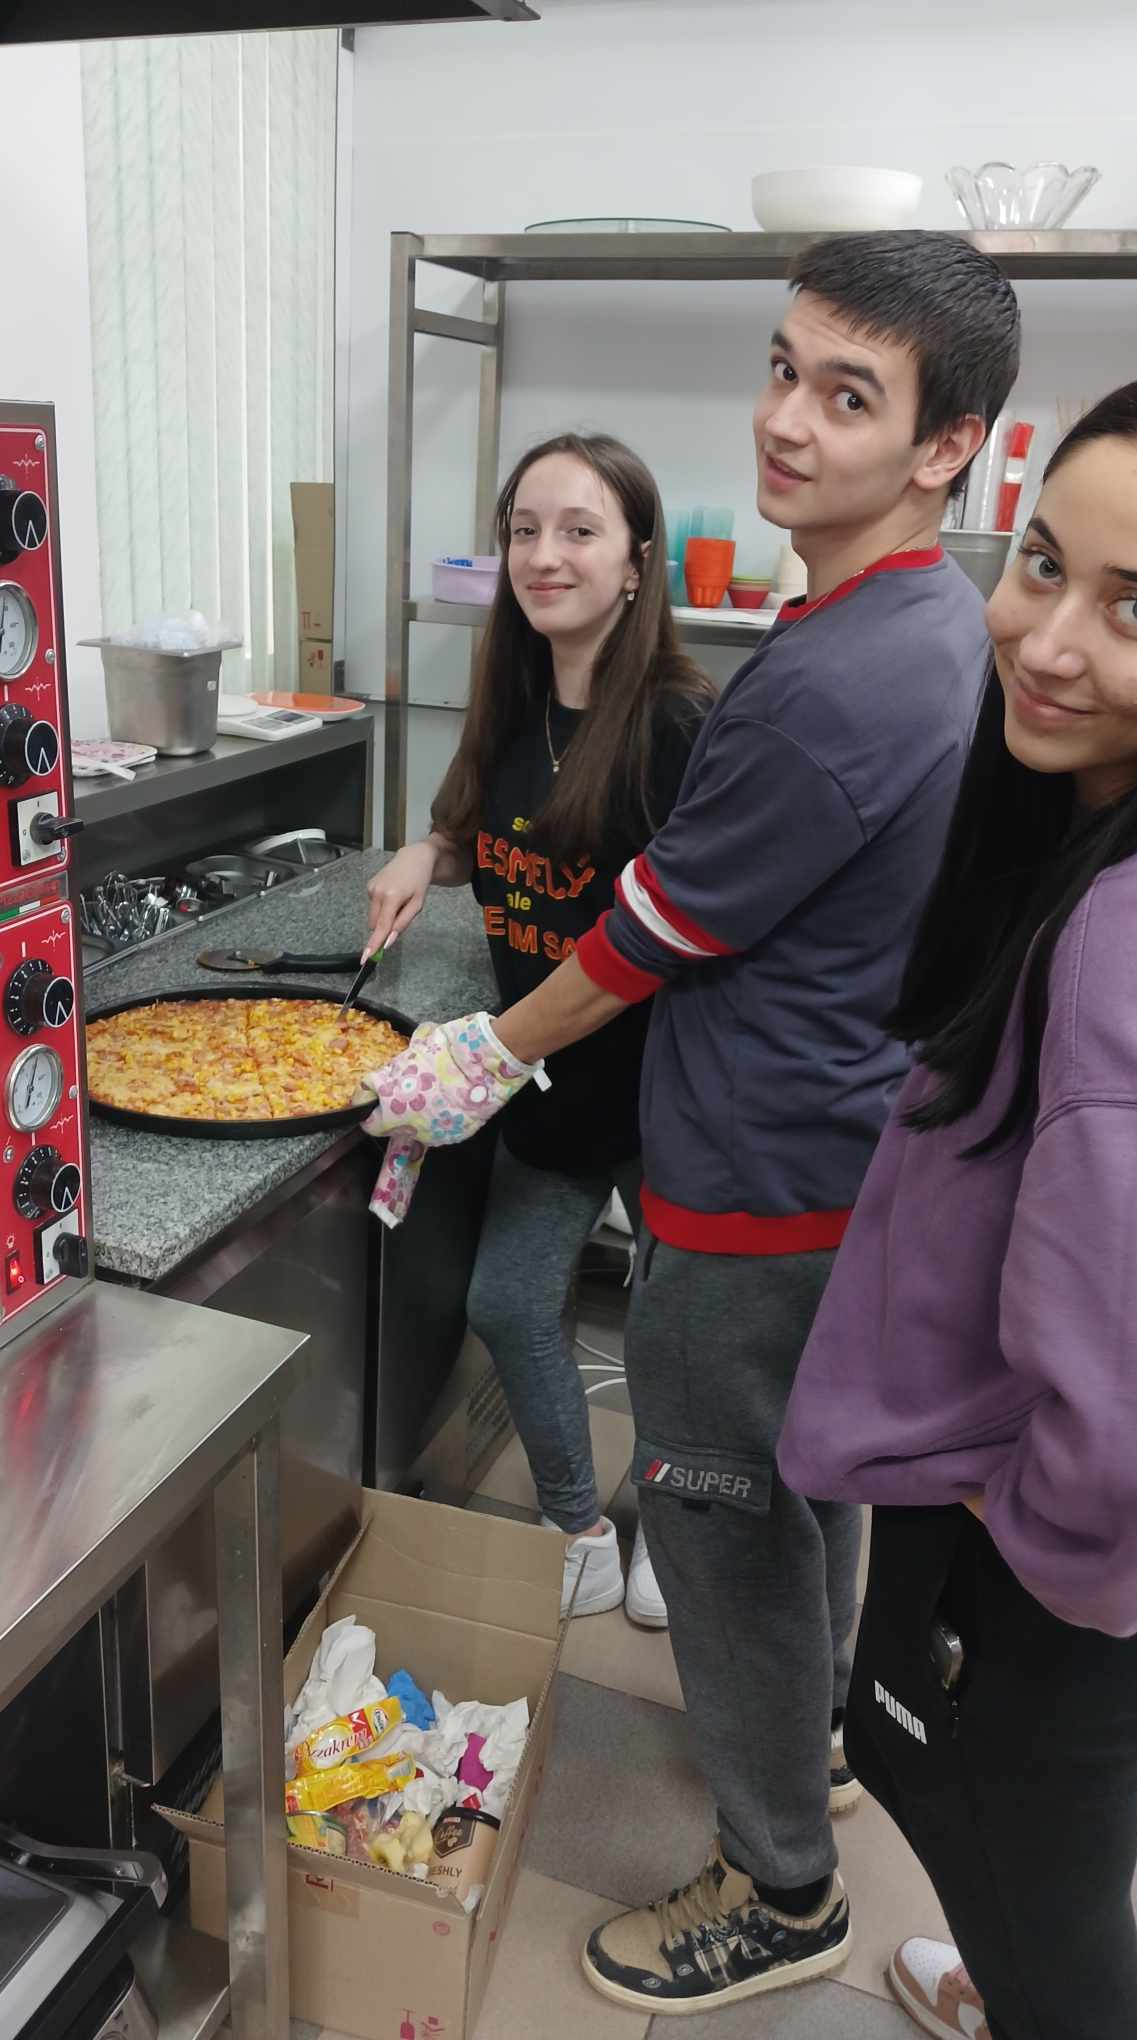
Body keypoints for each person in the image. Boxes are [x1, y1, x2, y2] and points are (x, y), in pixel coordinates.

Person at [361, 230, 1022, 2012]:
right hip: (828, 1152)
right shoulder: (899, 622)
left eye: (848, 395)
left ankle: (781, 1886)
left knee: (719, 1524)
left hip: (754, 1184)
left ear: (947, 444)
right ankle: (815, 1744)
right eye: (786, 369)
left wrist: (478, 1056)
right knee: (804, 1495)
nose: (786, 420)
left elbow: (651, 927)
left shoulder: (832, 681)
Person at [778, 357, 1137, 2040]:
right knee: (1058, 1864)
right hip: (1130, 1595)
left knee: (1040, 1911)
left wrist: (1025, 1544)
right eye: (1043, 562)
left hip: (1045, 1584)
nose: (1043, 641)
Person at [363, 431, 712, 1624]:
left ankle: (675, 1528)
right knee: (508, 1304)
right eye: (524, 530)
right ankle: (576, 1527)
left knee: (673, 1337)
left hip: (665, 1092)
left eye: (579, 530)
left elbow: (692, 926)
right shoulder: (511, 702)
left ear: (636, 561)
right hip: (545, 1079)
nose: (544, 556)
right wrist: (425, 852)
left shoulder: (681, 725)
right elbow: (482, 832)